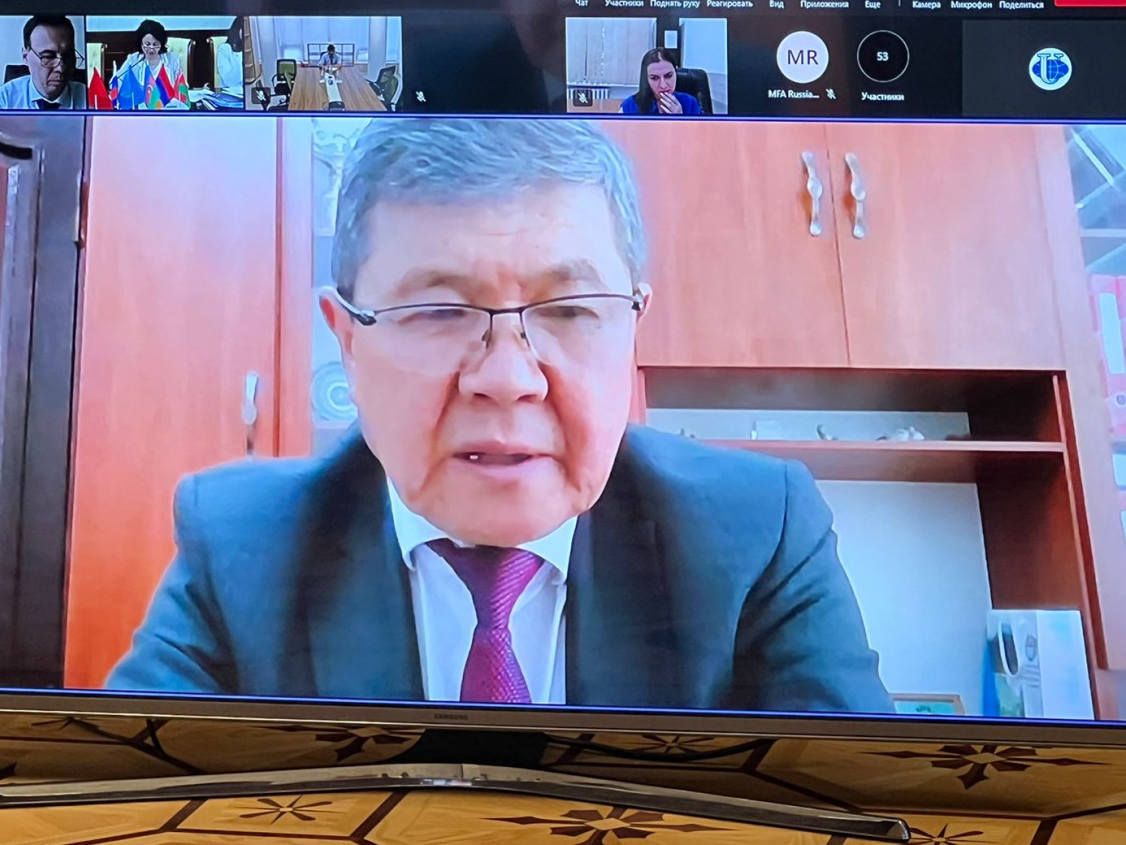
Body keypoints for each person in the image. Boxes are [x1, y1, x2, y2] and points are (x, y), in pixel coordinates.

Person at [108, 118, 890, 714]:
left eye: (570, 309)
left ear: (631, 327)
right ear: (348, 339)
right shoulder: (241, 543)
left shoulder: (756, 532)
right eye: (438, 310)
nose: (509, 379)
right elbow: (123, 802)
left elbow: (855, 809)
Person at [0, 15, 86, 111]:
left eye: (67, 55)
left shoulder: (89, 98)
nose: (61, 68)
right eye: (48, 57)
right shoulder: (5, 100)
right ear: (25, 56)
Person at [109, 19, 189, 110]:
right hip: (140, 112)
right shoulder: (133, 60)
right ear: (141, 43)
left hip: (167, 110)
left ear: (161, 43)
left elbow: (182, 88)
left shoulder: (171, 60)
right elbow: (116, 83)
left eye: (155, 44)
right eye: (147, 44)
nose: (151, 48)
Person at [620, 47, 701, 116]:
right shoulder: (630, 105)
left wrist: (680, 119)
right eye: (654, 78)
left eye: (668, 76)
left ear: (675, 73)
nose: (663, 85)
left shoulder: (690, 103)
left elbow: (700, 130)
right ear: (646, 79)